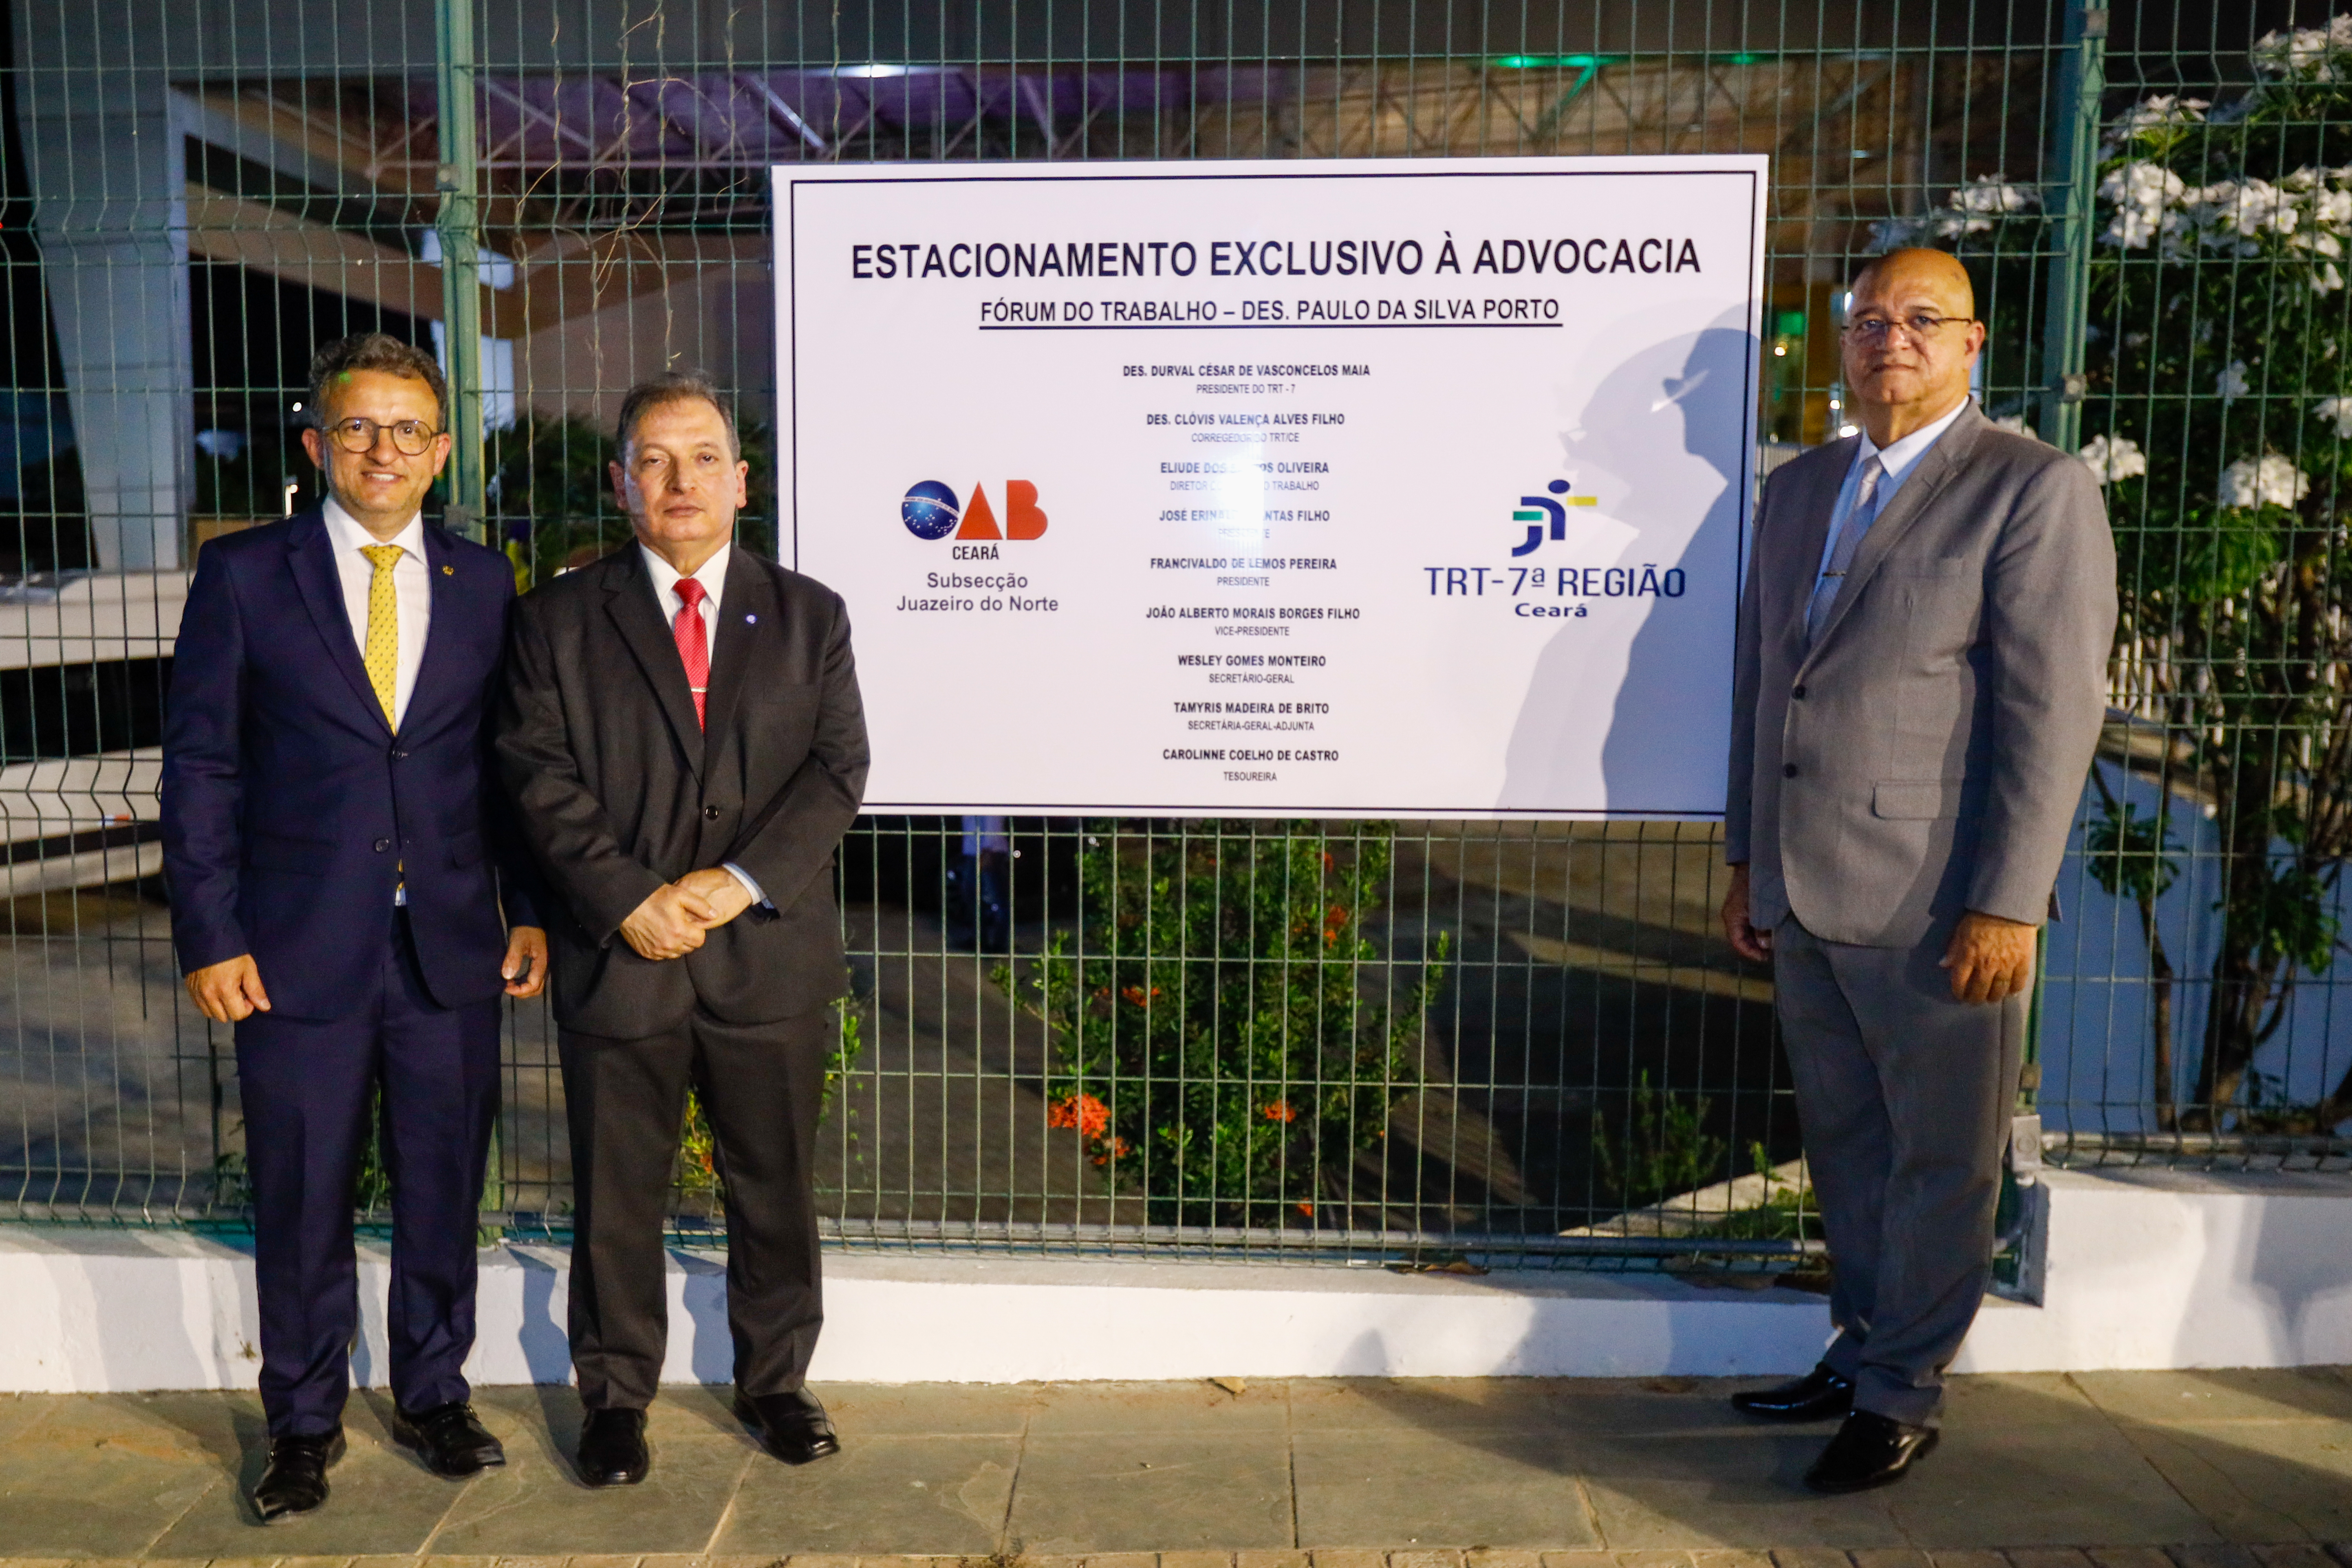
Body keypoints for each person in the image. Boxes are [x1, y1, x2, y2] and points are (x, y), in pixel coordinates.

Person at [1720, 249, 2115, 1492]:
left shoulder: (2030, 491)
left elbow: (2052, 716)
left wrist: (2007, 899)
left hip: (1938, 900)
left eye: (1921, 319)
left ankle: (1901, 1392)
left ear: (1972, 343)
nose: (1891, 337)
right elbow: (1760, 691)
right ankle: (1858, 1347)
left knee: (1943, 1154)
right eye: (1870, 318)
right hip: (1802, 884)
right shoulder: (1798, 492)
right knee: (1844, 1143)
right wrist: (1743, 860)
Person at [161, 332, 548, 1522]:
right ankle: (302, 1423)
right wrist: (210, 935)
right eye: (358, 427)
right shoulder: (243, 575)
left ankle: (435, 1396)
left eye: (407, 430)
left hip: (448, 945)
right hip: (289, 952)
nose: (382, 449)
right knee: (302, 1195)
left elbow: (507, 766)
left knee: (443, 1184)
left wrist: (524, 909)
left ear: (440, 453)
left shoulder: (486, 582)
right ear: (317, 443)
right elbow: (203, 768)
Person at [494, 371, 868, 1487]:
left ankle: (775, 1382)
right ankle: (613, 1400)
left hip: (767, 958)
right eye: (654, 460)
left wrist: (740, 881)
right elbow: (534, 774)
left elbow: (836, 769)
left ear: (741, 481)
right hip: (625, 961)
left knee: (775, 1185)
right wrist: (628, 898)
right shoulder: (556, 620)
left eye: (702, 457)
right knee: (617, 1195)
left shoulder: (809, 615)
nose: (680, 480)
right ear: (621, 485)